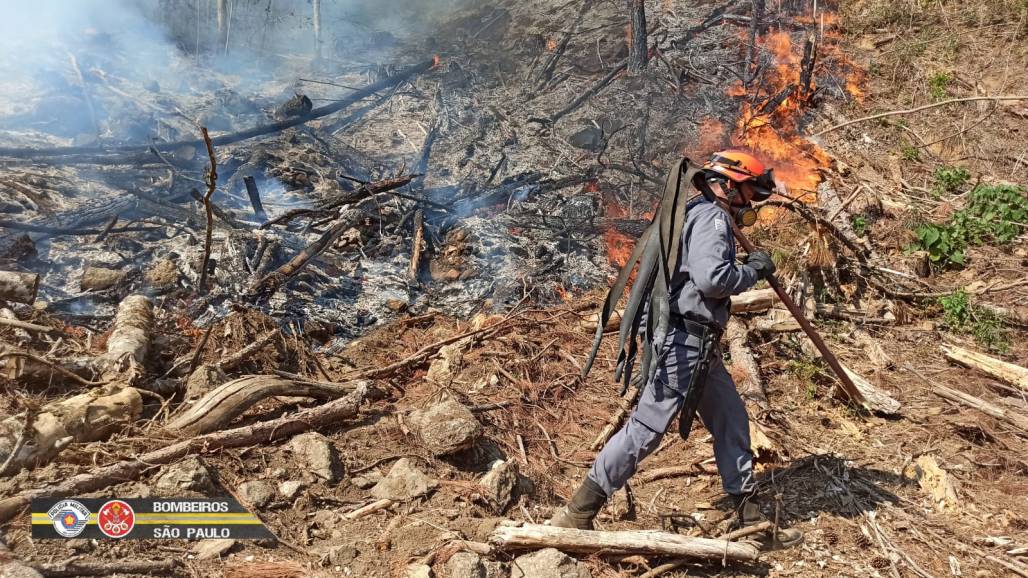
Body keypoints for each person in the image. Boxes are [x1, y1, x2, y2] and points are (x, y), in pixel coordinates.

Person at [549, 150, 803, 549]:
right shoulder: (713, 218)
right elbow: (712, 279)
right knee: (646, 429)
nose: (748, 206)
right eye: (748, 196)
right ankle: (578, 511)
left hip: (699, 344)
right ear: (729, 186)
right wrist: (753, 270)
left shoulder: (697, 211)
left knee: (731, 421)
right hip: (684, 343)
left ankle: (750, 520)